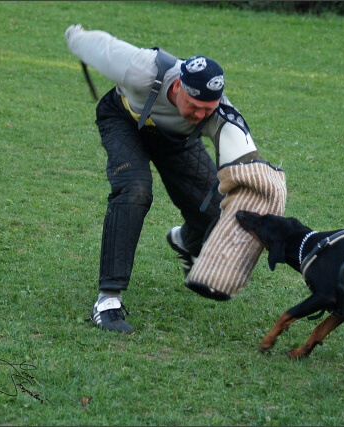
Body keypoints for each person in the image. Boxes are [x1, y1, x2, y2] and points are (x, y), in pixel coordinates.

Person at [65, 25, 266, 334]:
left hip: (177, 141)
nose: (201, 115)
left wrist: (260, 191)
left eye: (207, 110)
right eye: (195, 106)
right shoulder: (142, 70)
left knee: (219, 209)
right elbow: (100, 46)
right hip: (123, 121)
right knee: (134, 189)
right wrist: (76, 36)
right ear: (179, 88)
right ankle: (108, 300)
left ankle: (184, 240)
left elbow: (247, 163)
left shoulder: (219, 113)